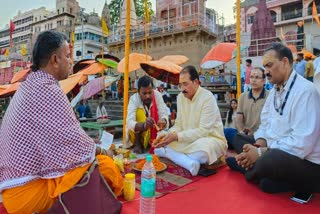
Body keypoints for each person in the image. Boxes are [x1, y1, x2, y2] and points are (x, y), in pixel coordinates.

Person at [0, 31, 123, 213]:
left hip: (13, 194)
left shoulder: (29, 85)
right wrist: (102, 150)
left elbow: (63, 139)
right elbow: (74, 143)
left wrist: (88, 145)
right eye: (67, 56)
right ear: (55, 60)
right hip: (28, 195)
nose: (71, 61)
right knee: (106, 166)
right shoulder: (48, 89)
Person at [227, 43, 320, 194]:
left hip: (304, 161)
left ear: (284, 62)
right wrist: (257, 145)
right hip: (272, 147)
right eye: (265, 67)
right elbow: (265, 124)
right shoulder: (275, 91)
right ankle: (264, 174)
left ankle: (248, 170)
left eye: (269, 65)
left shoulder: (305, 92)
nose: (267, 72)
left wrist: (260, 153)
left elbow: (302, 145)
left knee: (271, 160)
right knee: (239, 138)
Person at [153, 65, 227, 176]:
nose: (182, 89)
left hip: (210, 138)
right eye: (180, 85)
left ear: (196, 82)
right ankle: (189, 162)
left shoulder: (207, 98)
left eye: (185, 84)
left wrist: (177, 137)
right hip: (188, 139)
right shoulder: (180, 98)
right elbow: (179, 125)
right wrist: (166, 134)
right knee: (167, 141)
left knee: (203, 152)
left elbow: (204, 131)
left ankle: (169, 154)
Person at [126, 75, 168, 154]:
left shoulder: (157, 95)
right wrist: (144, 125)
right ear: (138, 92)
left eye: (150, 92)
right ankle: (137, 143)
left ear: (153, 90)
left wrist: (163, 120)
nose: (148, 96)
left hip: (154, 132)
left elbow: (164, 113)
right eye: (144, 93)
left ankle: (153, 141)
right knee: (139, 113)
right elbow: (129, 122)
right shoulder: (134, 99)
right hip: (138, 135)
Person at [231, 67, 269, 153]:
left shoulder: (269, 96)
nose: (253, 80)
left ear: (264, 80)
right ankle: (251, 155)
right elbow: (239, 118)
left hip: (263, 137)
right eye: (251, 77)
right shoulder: (243, 97)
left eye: (257, 77)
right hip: (246, 137)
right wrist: (242, 131)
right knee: (230, 133)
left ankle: (251, 155)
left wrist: (257, 134)